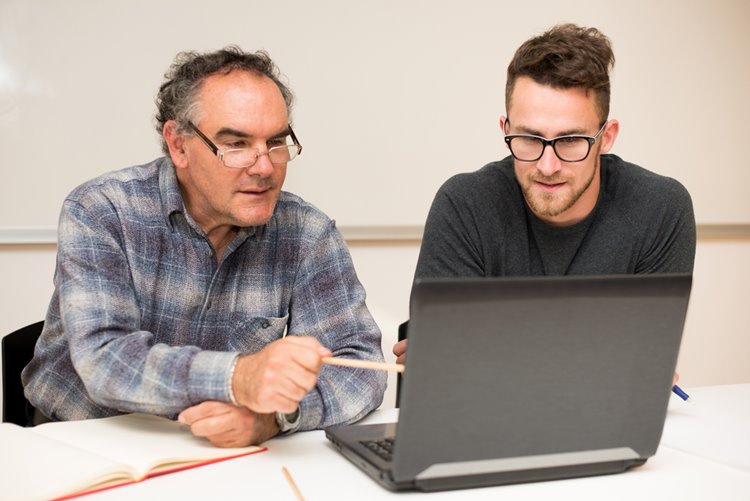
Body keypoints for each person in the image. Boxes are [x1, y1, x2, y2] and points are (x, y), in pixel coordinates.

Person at [22, 47, 386, 446]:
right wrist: (238, 377)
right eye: (236, 143)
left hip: (220, 452)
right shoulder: (101, 211)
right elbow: (106, 360)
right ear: (178, 145)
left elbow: (360, 368)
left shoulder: (307, 233)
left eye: (277, 141)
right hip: (82, 442)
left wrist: (276, 418)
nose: (264, 167)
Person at [394, 24, 696, 364]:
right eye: (529, 139)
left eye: (570, 141)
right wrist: (602, 356)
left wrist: (483, 348)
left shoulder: (659, 208)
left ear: (606, 136)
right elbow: (443, 363)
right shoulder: (464, 203)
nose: (548, 165)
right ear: (505, 130)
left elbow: (644, 360)